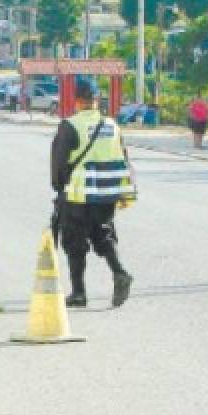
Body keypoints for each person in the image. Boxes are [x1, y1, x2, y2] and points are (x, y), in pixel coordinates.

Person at [50, 78, 135, 309]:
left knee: (74, 242)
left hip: (78, 194)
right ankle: (120, 272)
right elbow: (123, 157)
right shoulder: (113, 126)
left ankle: (78, 293)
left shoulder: (70, 125)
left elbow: (58, 162)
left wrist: (58, 188)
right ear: (97, 100)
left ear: (76, 101)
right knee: (104, 235)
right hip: (107, 193)